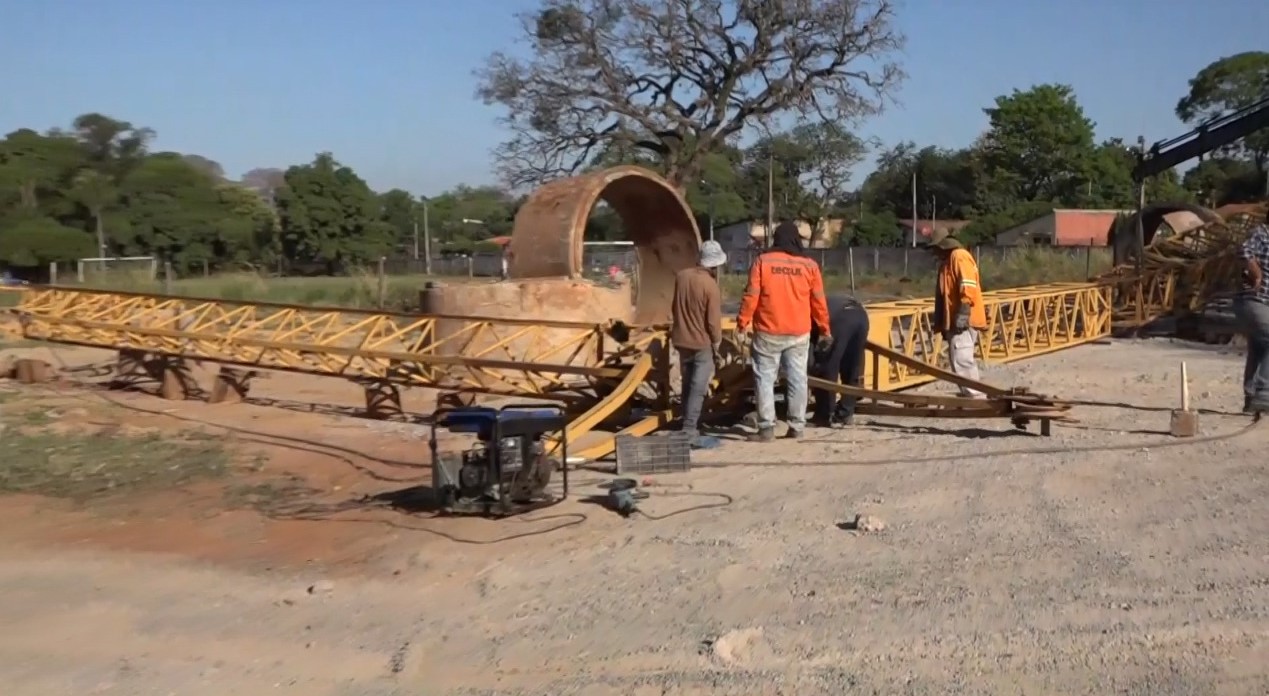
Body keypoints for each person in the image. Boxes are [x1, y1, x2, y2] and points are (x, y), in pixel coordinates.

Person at [736, 221, 831, 441]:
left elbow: (752, 295)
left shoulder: (763, 261)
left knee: (765, 379)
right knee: (798, 379)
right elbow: (819, 302)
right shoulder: (809, 266)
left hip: (768, 331)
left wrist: (743, 323)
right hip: (799, 333)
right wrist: (825, 329)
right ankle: (797, 426)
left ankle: (767, 428)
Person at [671, 240, 726, 441]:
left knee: (687, 382)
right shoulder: (710, 286)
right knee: (698, 387)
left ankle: (684, 418)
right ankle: (689, 427)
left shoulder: (681, 276)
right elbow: (713, 322)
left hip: (681, 339)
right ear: (716, 264)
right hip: (701, 343)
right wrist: (717, 343)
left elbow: (674, 307)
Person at [927, 232, 987, 397]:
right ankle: (970, 393)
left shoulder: (959, 256)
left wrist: (963, 311)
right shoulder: (947, 262)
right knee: (957, 357)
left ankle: (975, 396)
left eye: (935, 249)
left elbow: (968, 284)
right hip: (957, 319)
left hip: (964, 318)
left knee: (962, 357)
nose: (934, 254)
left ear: (943, 245)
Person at [810, 297, 870, 427]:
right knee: (853, 365)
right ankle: (846, 412)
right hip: (861, 315)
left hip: (839, 318)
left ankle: (824, 414)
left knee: (827, 365)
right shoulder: (820, 299)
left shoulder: (803, 310)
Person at [1236, 208, 1269, 415]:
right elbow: (1244, 250)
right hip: (1256, 302)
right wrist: (1255, 273)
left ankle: (1250, 398)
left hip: (1261, 305)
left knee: (1258, 348)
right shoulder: (1263, 233)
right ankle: (1264, 394)